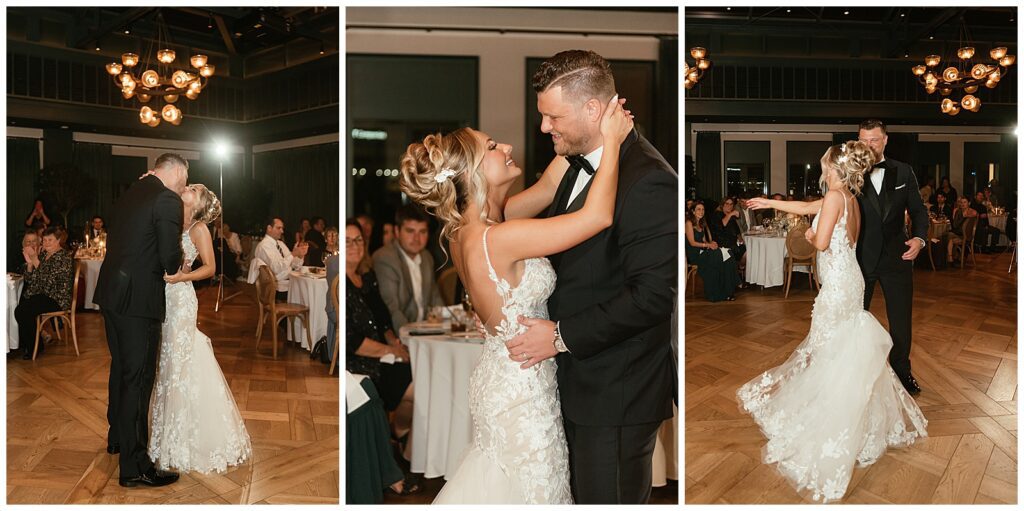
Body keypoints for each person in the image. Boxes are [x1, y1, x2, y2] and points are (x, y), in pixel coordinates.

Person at [399, 88, 633, 504]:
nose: (505, 146)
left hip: (505, 377)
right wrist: (612, 140)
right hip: (522, 394)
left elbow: (549, 183)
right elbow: (597, 216)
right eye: (491, 146)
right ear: (471, 172)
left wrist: (583, 122)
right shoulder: (499, 237)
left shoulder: (468, 230)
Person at [505, 50, 676, 505]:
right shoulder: (575, 163)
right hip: (579, 380)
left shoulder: (650, 180)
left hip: (618, 390)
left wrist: (560, 336)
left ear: (594, 110)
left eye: (552, 116)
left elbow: (654, 297)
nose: (544, 127)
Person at [740, 140, 927, 503]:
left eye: (825, 165)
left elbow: (821, 241)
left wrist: (807, 233)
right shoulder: (849, 199)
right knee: (843, 353)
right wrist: (770, 202)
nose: (822, 169)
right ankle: (858, 426)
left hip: (838, 288)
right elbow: (810, 206)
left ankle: (832, 425)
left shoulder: (834, 199)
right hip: (850, 282)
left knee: (829, 354)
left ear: (836, 170)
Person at [93, 153, 187, 488]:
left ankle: (117, 437)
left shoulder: (133, 190)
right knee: (138, 378)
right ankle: (135, 467)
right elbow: (169, 258)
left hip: (111, 293)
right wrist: (180, 263)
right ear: (174, 170)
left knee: (120, 368)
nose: (184, 186)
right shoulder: (166, 198)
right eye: (184, 179)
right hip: (138, 301)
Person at [147, 184, 251, 474]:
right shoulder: (170, 220)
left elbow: (210, 267)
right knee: (165, 364)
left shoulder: (198, 228)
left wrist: (183, 276)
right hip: (162, 297)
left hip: (181, 299)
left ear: (199, 202)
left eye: (194, 188)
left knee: (180, 363)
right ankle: (164, 440)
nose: (188, 187)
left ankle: (186, 443)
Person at [345, 220, 414, 437]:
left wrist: (394, 341)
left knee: (421, 373)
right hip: (359, 364)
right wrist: (391, 351)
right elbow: (351, 340)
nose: (354, 245)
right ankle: (398, 433)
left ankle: (398, 435)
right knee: (416, 384)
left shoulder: (366, 277)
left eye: (358, 240)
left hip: (382, 354)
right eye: (346, 241)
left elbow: (383, 318)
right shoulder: (340, 284)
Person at [371, 205, 445, 331]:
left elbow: (436, 300)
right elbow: (392, 310)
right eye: (410, 231)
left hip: (427, 332)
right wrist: (411, 338)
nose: (417, 238)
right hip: (401, 336)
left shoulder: (427, 257)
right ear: (397, 231)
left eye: (422, 232)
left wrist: (444, 327)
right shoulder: (385, 258)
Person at [14, 227, 73, 359]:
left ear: (58, 240)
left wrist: (35, 260)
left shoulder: (63, 258)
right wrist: (30, 264)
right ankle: (25, 344)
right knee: (20, 304)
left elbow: (48, 283)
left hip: (56, 298)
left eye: (50, 240)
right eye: (44, 240)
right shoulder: (44, 255)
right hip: (43, 295)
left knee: (22, 310)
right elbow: (30, 280)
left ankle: (34, 347)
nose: (46, 243)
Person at [686, 201, 740, 302]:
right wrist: (707, 245)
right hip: (694, 254)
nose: (701, 212)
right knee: (717, 255)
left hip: (703, 251)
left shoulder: (701, 223)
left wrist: (711, 243)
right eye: (698, 209)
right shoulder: (688, 223)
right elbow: (692, 243)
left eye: (703, 209)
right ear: (693, 211)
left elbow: (703, 241)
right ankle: (715, 293)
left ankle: (728, 292)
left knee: (728, 253)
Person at [252, 217, 308, 301]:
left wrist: (300, 255)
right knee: (308, 292)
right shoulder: (264, 246)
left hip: (288, 282)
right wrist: (293, 254)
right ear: (269, 228)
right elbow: (276, 268)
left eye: (282, 228)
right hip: (276, 288)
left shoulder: (280, 244)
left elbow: (294, 265)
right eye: (279, 228)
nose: (282, 231)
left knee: (308, 287)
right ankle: (299, 313)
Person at [947, 197, 978, 263]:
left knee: (947, 236)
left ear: (969, 203)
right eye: (961, 202)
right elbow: (955, 225)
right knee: (948, 237)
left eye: (965, 202)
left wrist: (966, 216)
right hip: (958, 233)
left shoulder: (972, 212)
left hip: (967, 235)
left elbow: (975, 214)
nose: (963, 204)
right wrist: (963, 216)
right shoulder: (958, 212)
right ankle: (952, 257)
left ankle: (951, 257)